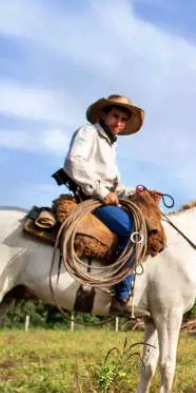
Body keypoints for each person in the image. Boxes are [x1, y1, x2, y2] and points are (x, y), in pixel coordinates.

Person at [61, 94, 157, 317]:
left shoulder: (110, 145)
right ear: (103, 114)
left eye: (123, 119)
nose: (119, 123)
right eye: (115, 116)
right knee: (136, 233)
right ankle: (121, 297)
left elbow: (114, 186)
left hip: (102, 197)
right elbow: (73, 163)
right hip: (90, 199)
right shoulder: (88, 132)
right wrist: (101, 192)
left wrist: (138, 193)